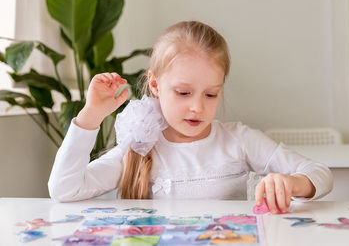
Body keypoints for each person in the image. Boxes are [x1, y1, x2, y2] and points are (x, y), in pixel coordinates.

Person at [48, 21, 333, 214]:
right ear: (156, 85)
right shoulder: (139, 145)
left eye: (211, 95)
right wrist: (90, 116)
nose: (198, 107)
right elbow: (64, 189)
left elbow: (320, 173)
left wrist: (292, 183)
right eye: (183, 93)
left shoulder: (238, 138)